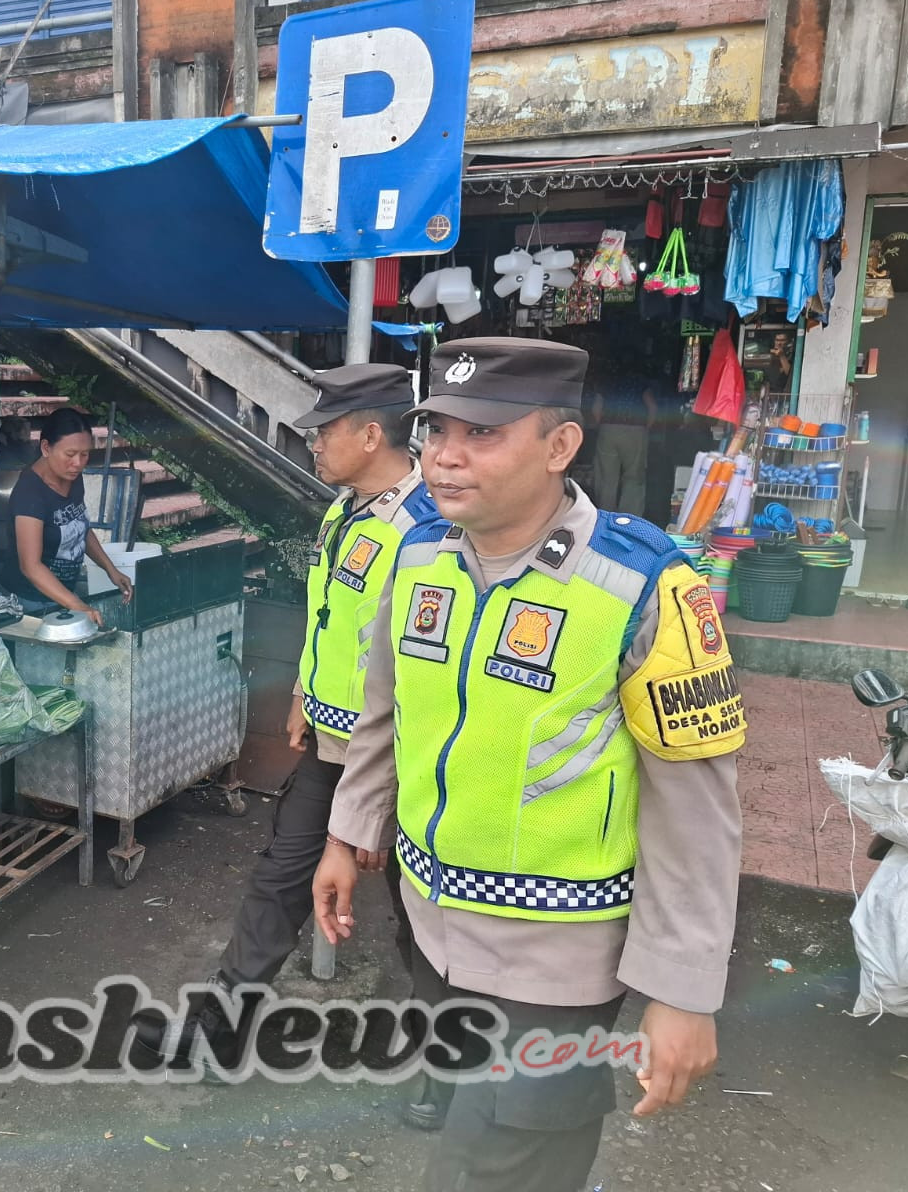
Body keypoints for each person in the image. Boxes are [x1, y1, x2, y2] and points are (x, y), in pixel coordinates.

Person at [313, 337, 746, 1192]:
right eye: (437, 430)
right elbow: (383, 713)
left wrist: (684, 989)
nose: (445, 456)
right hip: (432, 932)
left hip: (560, 954)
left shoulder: (643, 586)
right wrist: (346, 832)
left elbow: (696, 809)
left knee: (496, 1165)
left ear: (559, 447)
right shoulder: (419, 556)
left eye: (483, 434)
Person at [131, 364, 444, 1073]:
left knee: (419, 911)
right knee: (279, 880)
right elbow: (328, 617)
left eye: (323, 431)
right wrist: (305, 691)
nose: (312, 444)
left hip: (399, 757)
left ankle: (447, 1063)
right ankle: (219, 1028)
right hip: (332, 750)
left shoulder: (428, 527)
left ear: (371, 434)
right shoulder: (345, 511)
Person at [0, 408, 133, 625]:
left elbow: (80, 526)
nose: (78, 463)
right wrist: (78, 605)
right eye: (70, 455)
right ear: (45, 448)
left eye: (85, 454)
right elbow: (30, 566)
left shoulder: (71, 476)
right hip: (30, 602)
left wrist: (111, 570)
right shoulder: (30, 493)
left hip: (62, 596)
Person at [591, 359, 656, 518]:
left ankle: (604, 517)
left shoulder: (606, 381)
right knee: (634, 478)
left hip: (609, 429)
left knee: (606, 477)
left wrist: (603, 426)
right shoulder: (640, 382)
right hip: (635, 430)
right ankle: (629, 519)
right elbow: (652, 407)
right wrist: (645, 429)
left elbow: (596, 409)